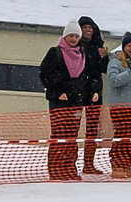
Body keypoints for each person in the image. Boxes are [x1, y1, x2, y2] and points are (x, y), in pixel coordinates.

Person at [40, 20, 94, 181]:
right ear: (65, 36)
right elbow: (45, 74)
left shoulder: (82, 54)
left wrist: (90, 92)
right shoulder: (55, 52)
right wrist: (57, 91)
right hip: (60, 101)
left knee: (72, 136)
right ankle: (56, 169)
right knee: (59, 135)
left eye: (76, 36)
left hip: (76, 101)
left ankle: (69, 168)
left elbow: (87, 77)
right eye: (71, 36)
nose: (73, 39)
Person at [103, 33, 131, 177]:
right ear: (124, 48)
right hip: (120, 107)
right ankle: (117, 166)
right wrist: (130, 72)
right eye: (129, 45)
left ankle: (127, 165)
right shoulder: (115, 63)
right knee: (122, 135)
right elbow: (114, 81)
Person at [74, 16, 109, 175]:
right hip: (77, 92)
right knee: (73, 128)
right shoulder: (74, 47)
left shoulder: (97, 47)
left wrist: (104, 57)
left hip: (95, 93)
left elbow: (104, 69)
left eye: (90, 28)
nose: (88, 30)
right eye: (85, 27)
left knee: (92, 129)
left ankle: (88, 163)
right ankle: (71, 163)